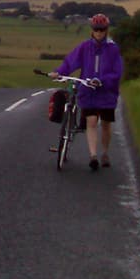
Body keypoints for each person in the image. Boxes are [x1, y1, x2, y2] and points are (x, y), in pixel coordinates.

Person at [53, 13, 124, 171]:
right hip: (87, 91)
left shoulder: (113, 49)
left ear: (107, 29)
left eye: (102, 29)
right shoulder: (85, 47)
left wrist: (103, 81)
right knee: (91, 122)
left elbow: (117, 71)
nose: (99, 32)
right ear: (92, 29)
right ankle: (93, 156)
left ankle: (105, 153)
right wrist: (59, 72)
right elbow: (70, 62)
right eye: (96, 29)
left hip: (107, 92)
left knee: (105, 123)